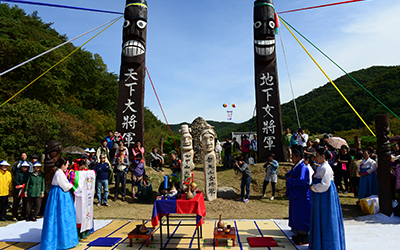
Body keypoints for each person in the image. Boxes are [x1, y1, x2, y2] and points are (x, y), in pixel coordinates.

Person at [309, 146, 345, 250]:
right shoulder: (322, 166)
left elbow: (325, 184)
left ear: (323, 156)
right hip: (320, 195)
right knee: (321, 218)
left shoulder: (326, 168)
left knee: (326, 218)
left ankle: (328, 245)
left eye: (317, 156)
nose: (316, 158)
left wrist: (313, 188)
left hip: (324, 196)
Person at [41, 157, 79, 250]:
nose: (68, 166)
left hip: (59, 195)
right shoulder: (59, 173)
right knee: (61, 216)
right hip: (60, 196)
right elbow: (65, 186)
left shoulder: (60, 172)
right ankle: (61, 242)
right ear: (63, 165)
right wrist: (73, 184)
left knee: (59, 217)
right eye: (67, 164)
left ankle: (64, 241)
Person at [285, 145, 311, 245]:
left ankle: (303, 235)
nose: (292, 158)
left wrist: (290, 180)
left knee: (301, 216)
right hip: (296, 195)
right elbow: (290, 174)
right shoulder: (297, 166)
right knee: (295, 214)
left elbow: (301, 180)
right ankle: (297, 233)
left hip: (301, 196)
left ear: (298, 157)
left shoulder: (303, 167)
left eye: (293, 156)